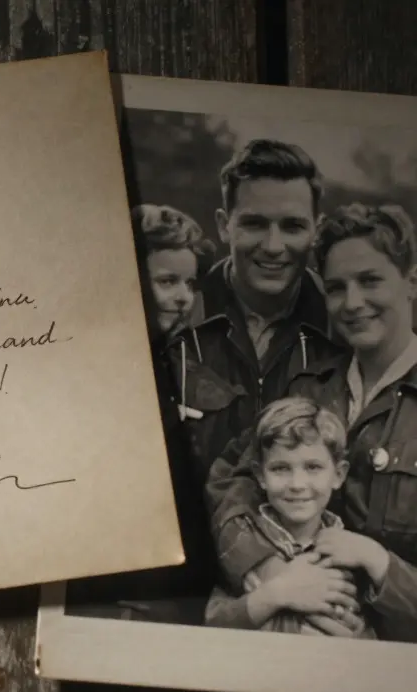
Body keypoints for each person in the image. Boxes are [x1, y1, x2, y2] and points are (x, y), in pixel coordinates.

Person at [208, 203, 417, 642]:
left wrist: (379, 565)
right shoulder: (308, 389)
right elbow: (232, 481)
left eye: (370, 281)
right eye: (337, 288)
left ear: (412, 282)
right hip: (282, 636)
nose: (353, 303)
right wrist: (268, 567)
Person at [65, 204, 219, 624]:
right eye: (167, 281)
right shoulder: (82, 359)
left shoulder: (184, 368)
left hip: (163, 583)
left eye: (189, 282)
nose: (184, 296)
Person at [182, 138, 342, 492]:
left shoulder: (345, 329)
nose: (273, 246)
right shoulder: (175, 321)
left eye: (293, 226)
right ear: (225, 226)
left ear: (316, 230)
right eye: (254, 224)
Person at [203, 396, 373, 637]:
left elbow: (362, 631)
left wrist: (357, 638)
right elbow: (214, 625)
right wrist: (276, 594)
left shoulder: (349, 553)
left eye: (313, 467)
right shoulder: (245, 542)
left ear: (338, 474)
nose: (297, 484)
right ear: (260, 475)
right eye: (281, 468)